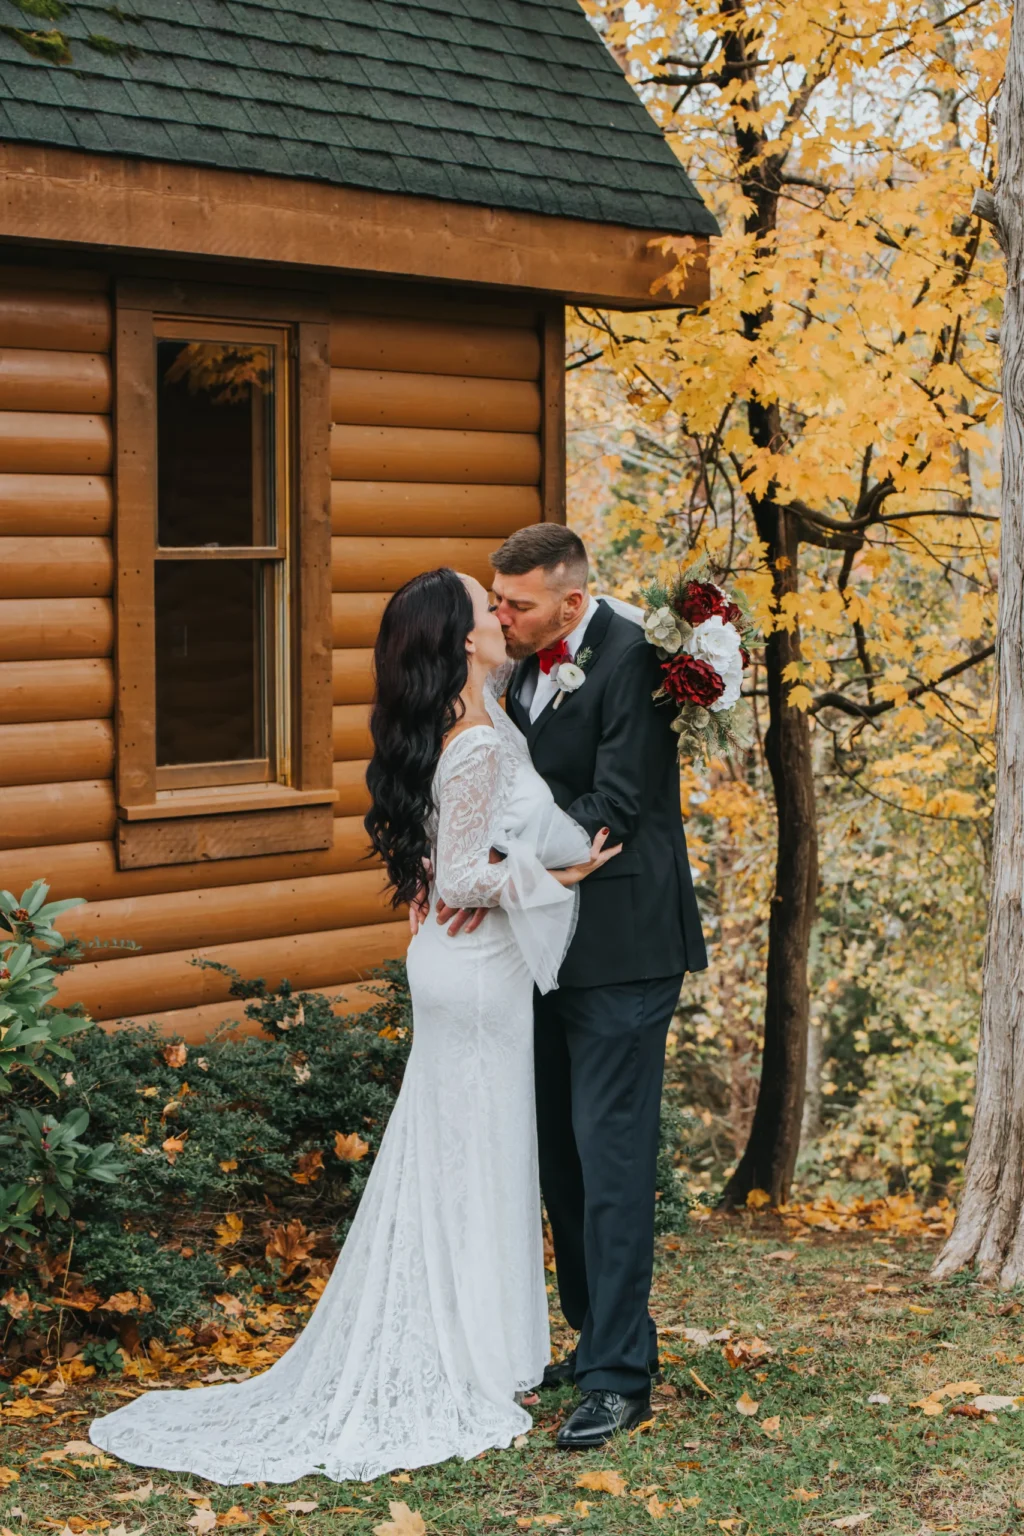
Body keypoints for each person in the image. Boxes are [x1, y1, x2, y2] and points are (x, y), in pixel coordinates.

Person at [89, 566, 616, 1485]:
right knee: (476, 1151)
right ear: (458, 640)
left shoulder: (474, 718)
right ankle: (466, 1356)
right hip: (476, 975)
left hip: (463, 969)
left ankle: (481, 1348)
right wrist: (557, 879)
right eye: (485, 609)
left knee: (464, 1149)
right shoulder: (477, 741)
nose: (501, 617)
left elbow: (444, 850)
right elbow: (461, 879)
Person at [427, 525, 707, 1450]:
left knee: (612, 1160)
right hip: (536, 947)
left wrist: (495, 863)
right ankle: (600, 1339)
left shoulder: (632, 660)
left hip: (623, 946)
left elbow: (616, 807)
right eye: (496, 604)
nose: (501, 617)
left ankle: (621, 1378)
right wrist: (490, 873)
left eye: (518, 605)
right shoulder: (516, 666)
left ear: (572, 602)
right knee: (563, 1159)